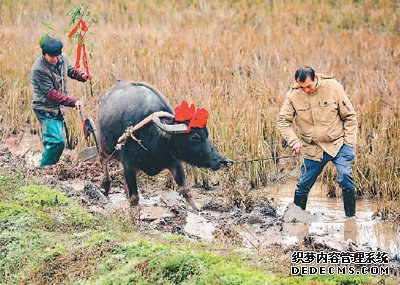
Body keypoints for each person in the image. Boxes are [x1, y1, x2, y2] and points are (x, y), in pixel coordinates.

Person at [277, 66, 358, 217]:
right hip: (313, 148)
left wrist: (349, 144)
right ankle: (297, 219)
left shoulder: (333, 87)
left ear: (315, 79)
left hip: (338, 144)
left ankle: (351, 221)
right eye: (302, 87)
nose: (306, 90)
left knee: (346, 178)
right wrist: (294, 141)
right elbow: (282, 121)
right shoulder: (293, 95)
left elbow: (350, 116)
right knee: (303, 185)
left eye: (308, 86)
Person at [31, 34, 92, 167]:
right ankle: (44, 170)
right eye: (52, 57)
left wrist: (82, 76)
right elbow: (51, 94)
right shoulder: (39, 69)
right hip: (45, 109)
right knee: (57, 142)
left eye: (57, 55)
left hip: (58, 109)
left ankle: (48, 165)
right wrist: (72, 101)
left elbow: (70, 71)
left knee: (54, 141)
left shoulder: (62, 59)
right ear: (44, 54)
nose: (56, 59)